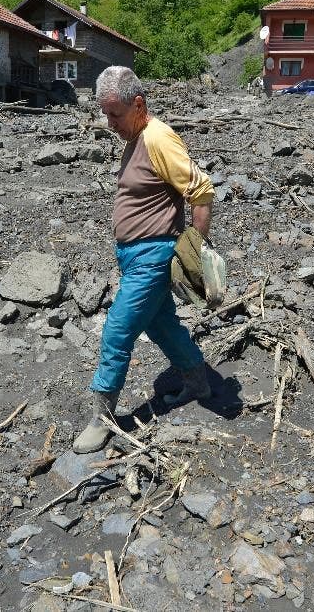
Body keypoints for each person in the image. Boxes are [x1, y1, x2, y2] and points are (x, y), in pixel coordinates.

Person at [73, 67, 216, 454]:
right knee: (162, 325)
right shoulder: (136, 136)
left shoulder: (158, 137)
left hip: (153, 256)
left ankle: (102, 419)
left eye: (115, 114)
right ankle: (197, 382)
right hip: (135, 256)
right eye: (105, 114)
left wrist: (195, 249)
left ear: (138, 105)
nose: (109, 123)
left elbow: (201, 190)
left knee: (117, 331)